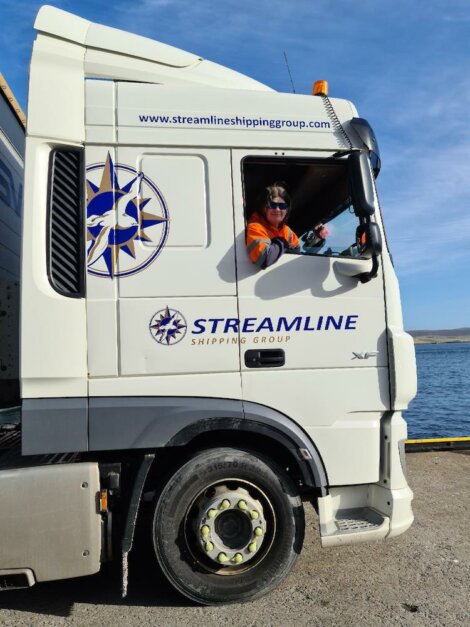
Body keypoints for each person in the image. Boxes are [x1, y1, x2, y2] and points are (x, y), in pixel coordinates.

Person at [246, 184, 300, 268]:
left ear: (287, 210)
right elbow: (263, 259)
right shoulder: (254, 227)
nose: (277, 209)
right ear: (264, 208)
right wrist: (282, 242)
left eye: (282, 206)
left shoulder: (287, 231)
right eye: (272, 205)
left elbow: (297, 251)